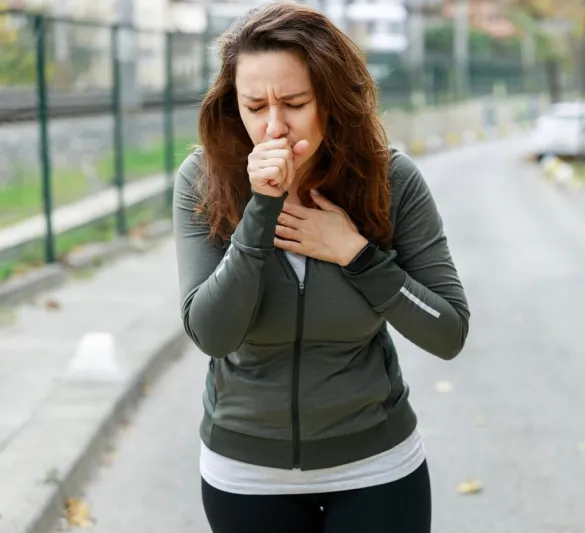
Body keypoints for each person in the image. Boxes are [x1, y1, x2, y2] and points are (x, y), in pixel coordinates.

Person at [172, 2, 470, 532]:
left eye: (294, 102)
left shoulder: (391, 180)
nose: (273, 126)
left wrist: (357, 255)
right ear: (231, 105)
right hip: (246, 475)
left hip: (378, 468)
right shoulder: (205, 180)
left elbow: (448, 332)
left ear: (331, 101)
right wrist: (261, 209)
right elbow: (213, 333)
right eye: (253, 105)